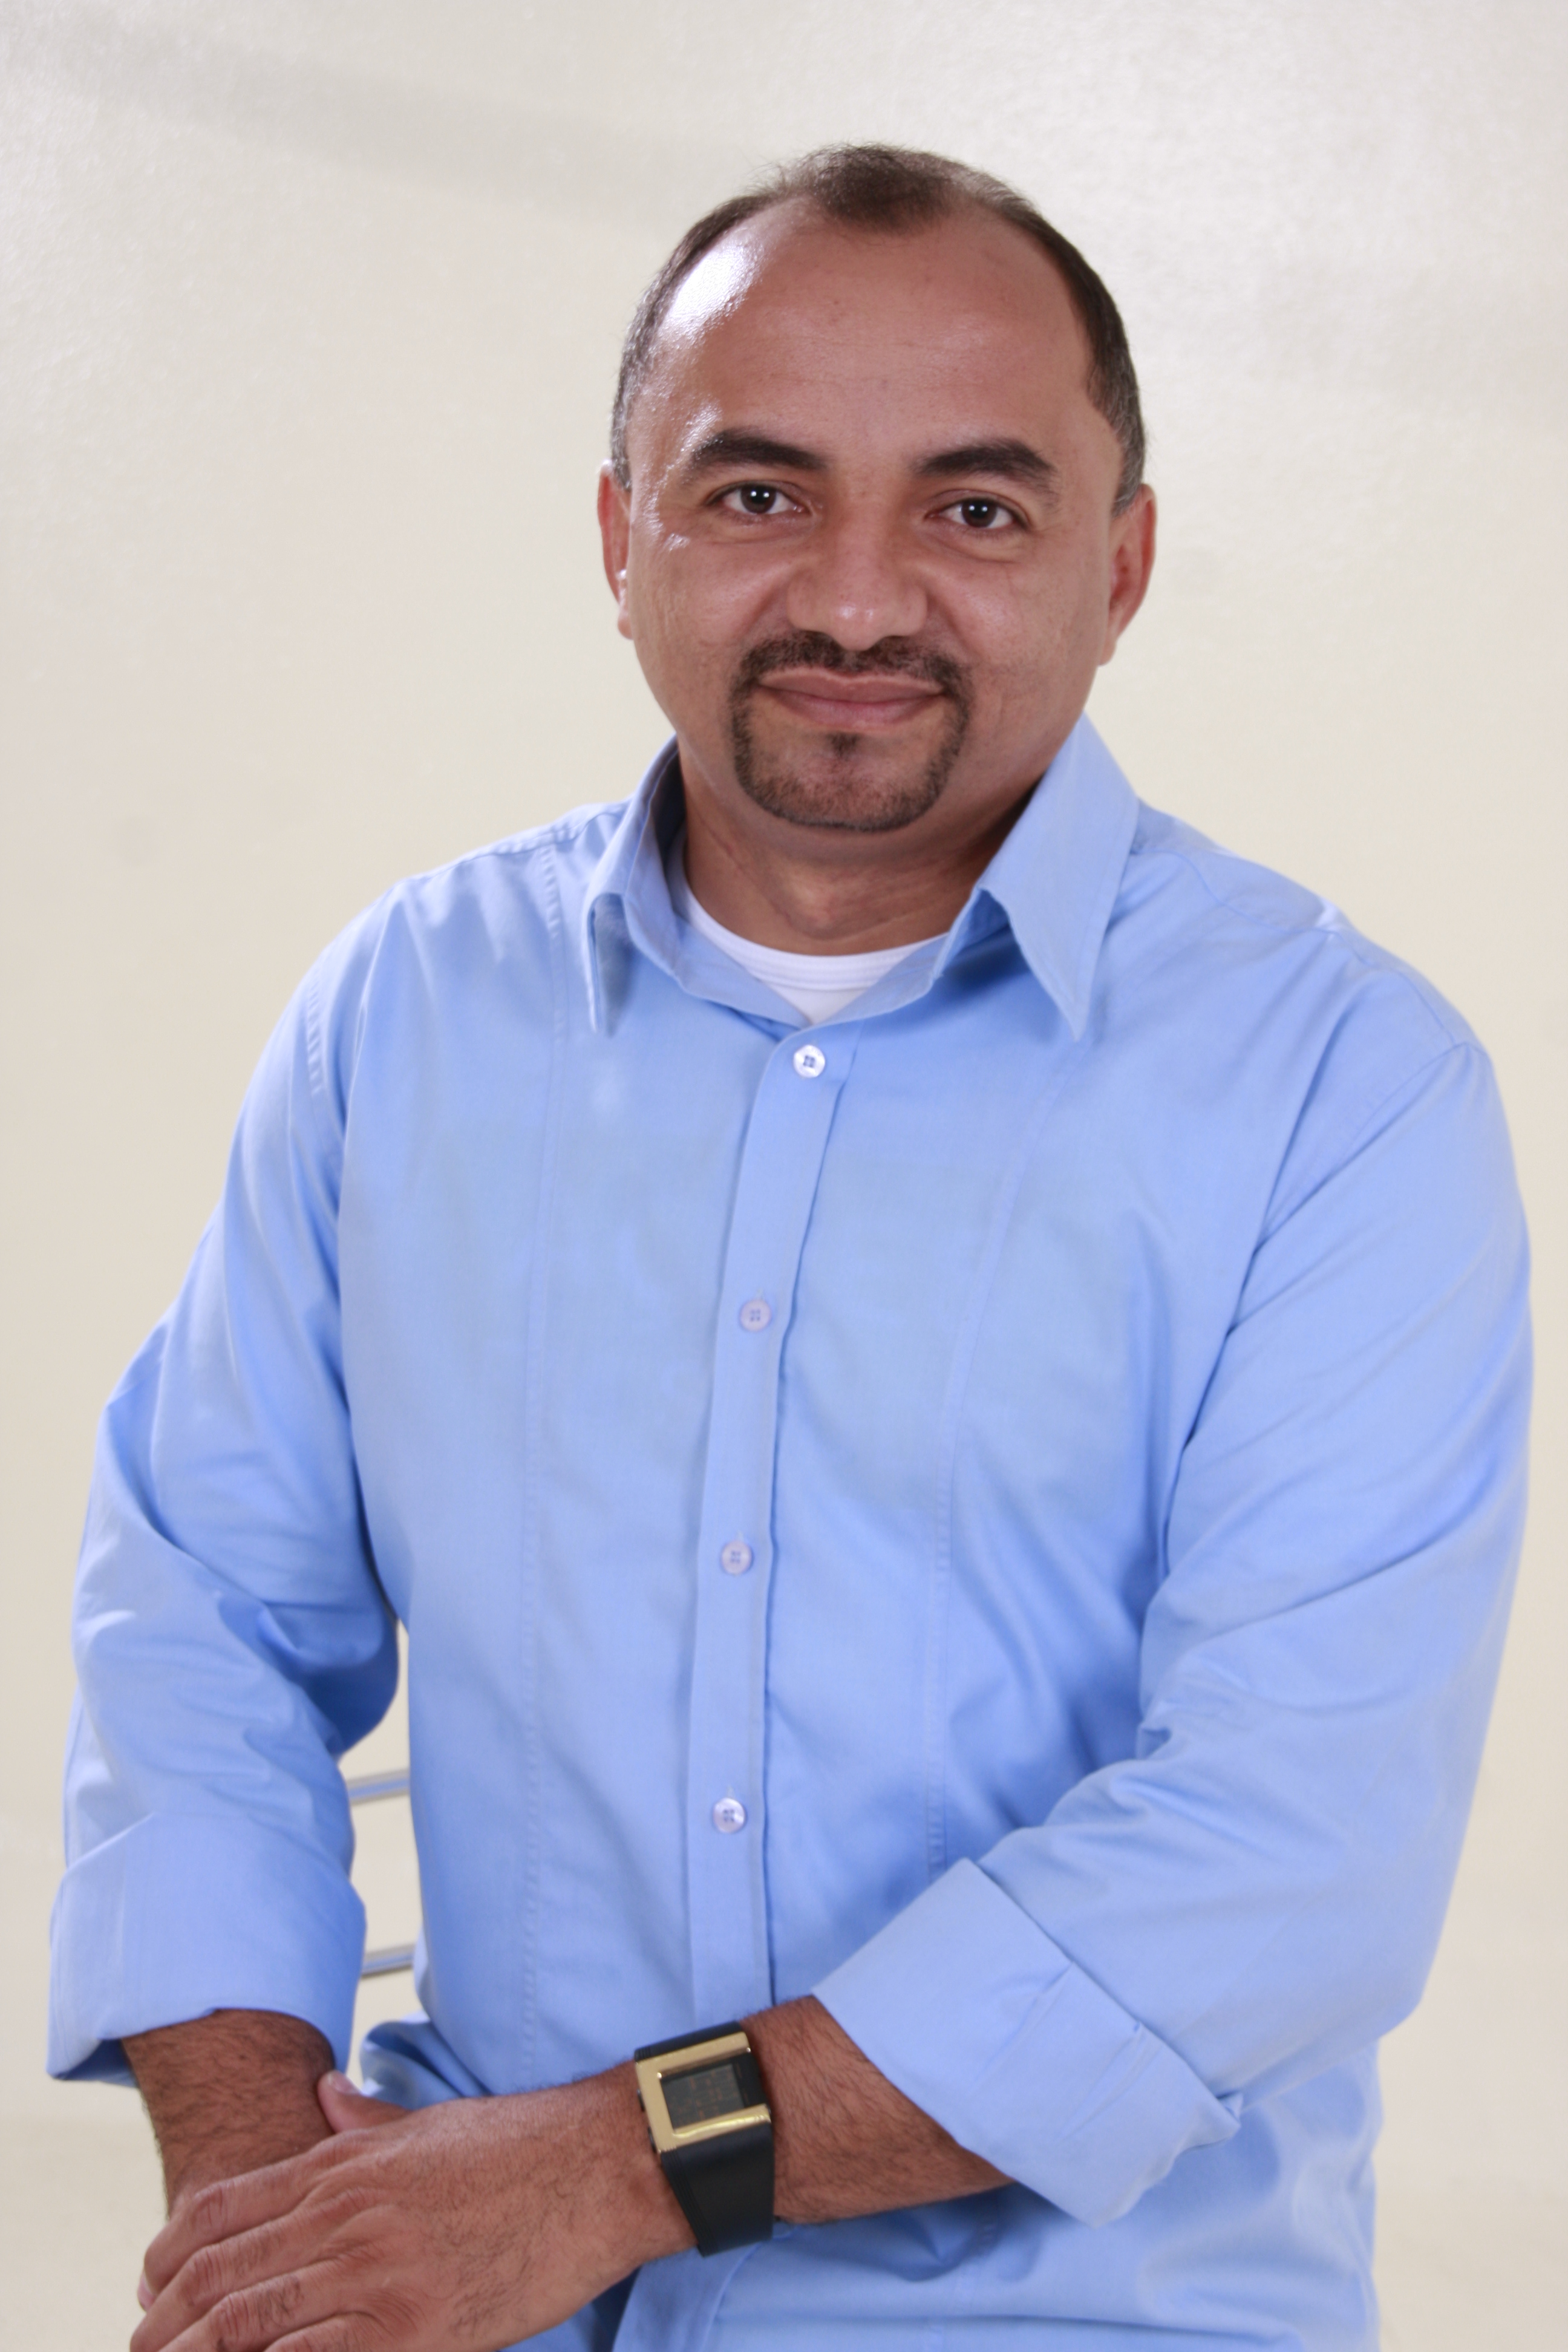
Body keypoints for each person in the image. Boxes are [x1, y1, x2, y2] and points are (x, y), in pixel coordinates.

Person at [50, 145, 1529, 2352]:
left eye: (976, 508)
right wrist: (281, 2226)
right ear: (617, 536)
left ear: (1121, 567)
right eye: (757, 495)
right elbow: (204, 1622)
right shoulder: (408, 1014)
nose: (857, 597)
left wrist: (598, 2176)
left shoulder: (1346, 1087)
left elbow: (1282, 1842)